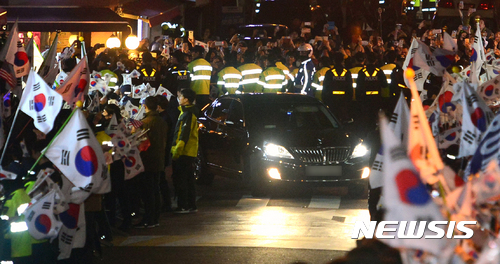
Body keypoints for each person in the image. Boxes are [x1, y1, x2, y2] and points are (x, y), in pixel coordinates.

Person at [134, 97, 168, 228]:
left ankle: (149, 219)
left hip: (147, 159)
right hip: (159, 158)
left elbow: (141, 142)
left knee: (148, 191)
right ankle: (155, 218)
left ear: (145, 107)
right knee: (155, 189)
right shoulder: (162, 121)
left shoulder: (145, 122)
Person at [171, 88, 199, 213]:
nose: (179, 99)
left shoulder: (187, 114)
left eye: (180, 97)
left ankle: (183, 205)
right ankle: (191, 205)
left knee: (182, 180)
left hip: (185, 152)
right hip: (189, 151)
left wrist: (177, 151)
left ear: (186, 99)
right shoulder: (187, 113)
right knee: (189, 179)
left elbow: (184, 135)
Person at [355, 52, 387, 137]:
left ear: (366, 60)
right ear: (376, 61)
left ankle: (366, 136)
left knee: (366, 121)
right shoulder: (379, 72)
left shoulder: (362, 72)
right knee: (375, 121)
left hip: (365, 101)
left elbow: (358, 88)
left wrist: (358, 100)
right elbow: (385, 85)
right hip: (377, 101)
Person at [322, 52, 353, 122]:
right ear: (343, 61)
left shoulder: (329, 72)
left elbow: (325, 87)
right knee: (344, 120)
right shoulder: (347, 72)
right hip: (344, 101)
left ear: (333, 61)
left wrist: (325, 100)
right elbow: (349, 88)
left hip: (332, 100)